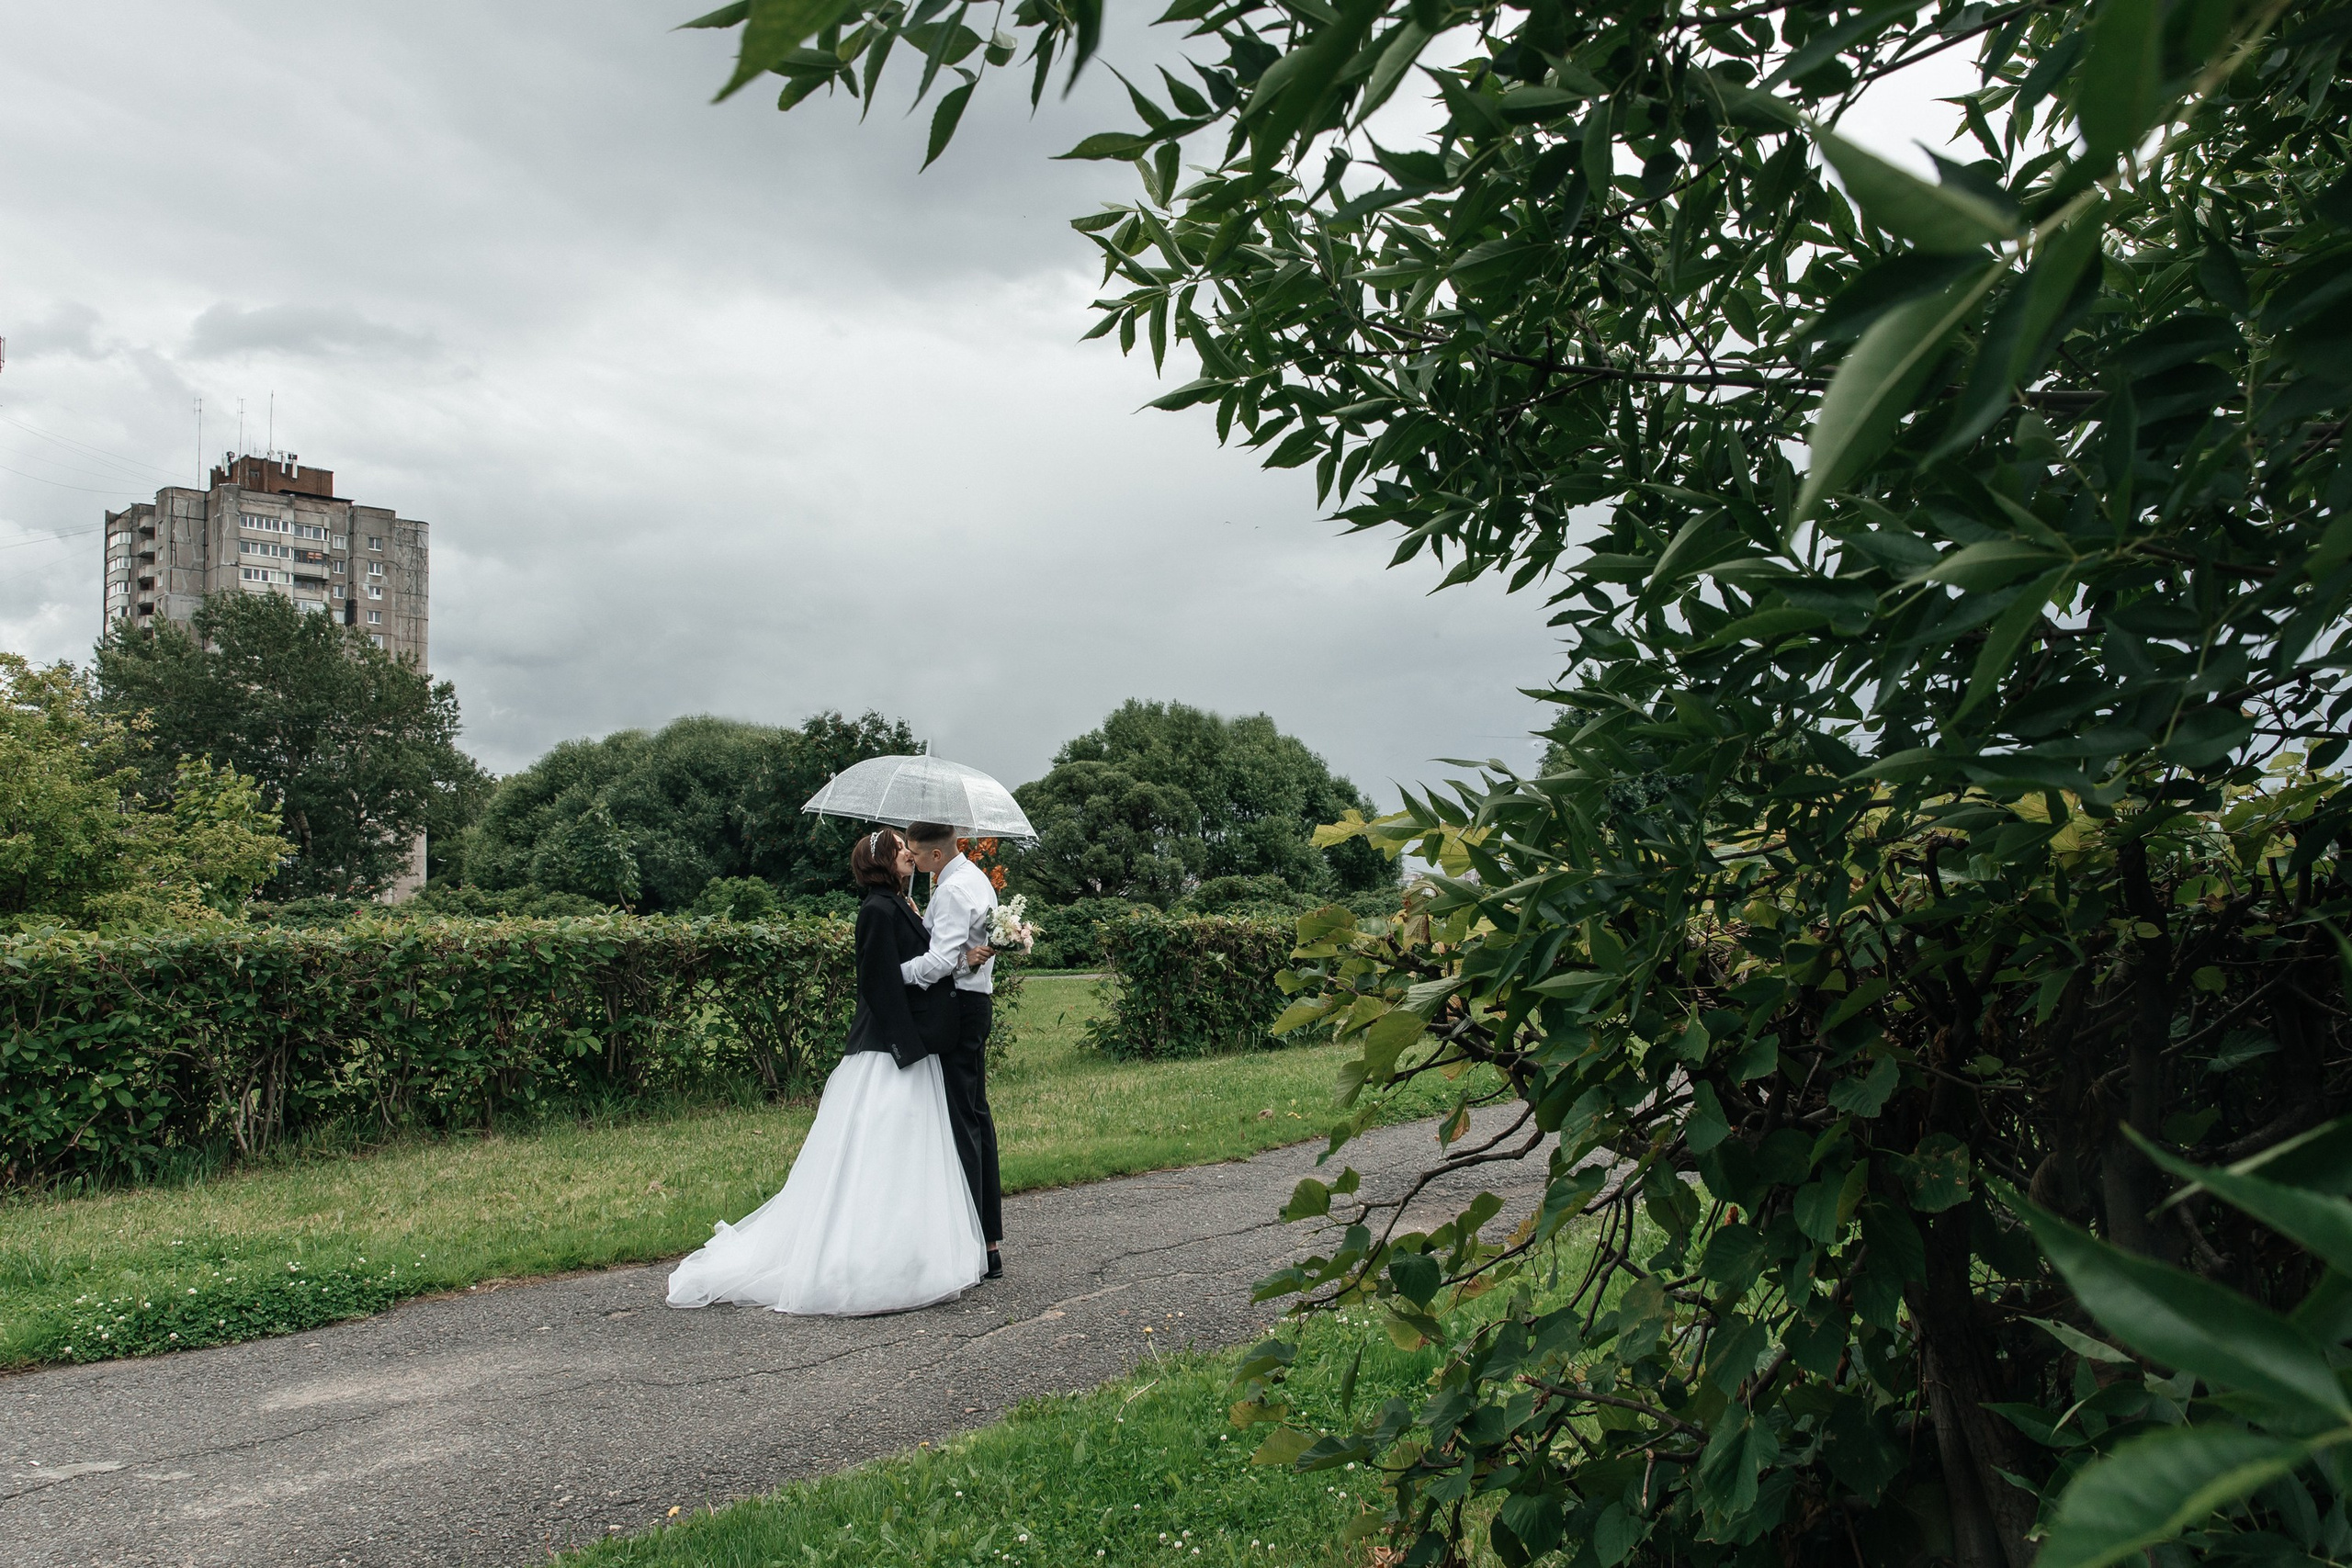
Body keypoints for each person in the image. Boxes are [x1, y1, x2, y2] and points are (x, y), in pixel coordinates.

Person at [664, 828, 987, 1315]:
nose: (909, 853)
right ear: (881, 862)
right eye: (900, 849)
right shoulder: (877, 911)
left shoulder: (900, 905)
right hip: (890, 1051)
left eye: (908, 847)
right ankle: (859, 1262)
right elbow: (878, 986)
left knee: (906, 1153)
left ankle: (909, 1257)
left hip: (911, 1050)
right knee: (878, 1152)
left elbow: (915, 964)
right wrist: (907, 1048)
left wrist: (958, 957)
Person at [901, 821, 1006, 1279]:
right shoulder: (977, 879)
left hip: (956, 1007)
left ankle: (973, 1244)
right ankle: (989, 1240)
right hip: (978, 1003)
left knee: (959, 1118)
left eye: (917, 855)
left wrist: (895, 974)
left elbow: (942, 961)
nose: (913, 861)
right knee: (975, 1114)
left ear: (936, 856)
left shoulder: (949, 891)